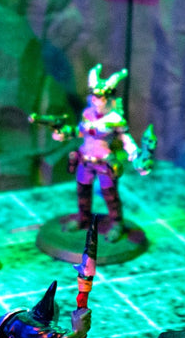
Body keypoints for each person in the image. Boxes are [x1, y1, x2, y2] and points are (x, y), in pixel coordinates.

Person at [51, 64, 152, 241]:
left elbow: (125, 139)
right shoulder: (88, 113)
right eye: (95, 97)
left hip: (104, 162)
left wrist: (135, 155)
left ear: (109, 98)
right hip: (85, 159)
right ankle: (83, 218)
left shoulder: (115, 119)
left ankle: (117, 224)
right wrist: (64, 133)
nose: (98, 101)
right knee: (82, 190)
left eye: (102, 97)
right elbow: (81, 131)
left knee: (109, 194)